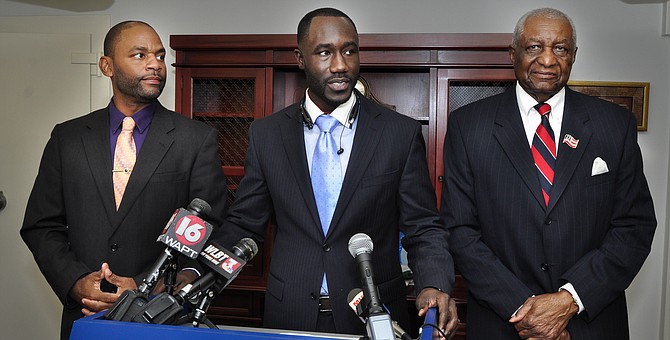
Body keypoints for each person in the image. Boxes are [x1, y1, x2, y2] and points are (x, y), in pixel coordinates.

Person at [212, 7, 458, 338]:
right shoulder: (266, 134)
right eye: (325, 52)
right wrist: (193, 273)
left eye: (349, 51)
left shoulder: (399, 133)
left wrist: (433, 284)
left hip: (377, 314)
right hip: (290, 314)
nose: (340, 65)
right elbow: (244, 223)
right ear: (300, 58)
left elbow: (424, 227)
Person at [440, 7, 656, 340]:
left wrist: (569, 300)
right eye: (534, 47)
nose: (548, 60)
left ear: (573, 56)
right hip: (504, 323)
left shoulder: (613, 125)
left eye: (560, 48)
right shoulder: (469, 126)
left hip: (589, 323)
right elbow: (460, 230)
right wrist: (526, 311)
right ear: (513, 54)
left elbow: (634, 226)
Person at [20, 21, 228, 339]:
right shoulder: (68, 138)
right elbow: (41, 226)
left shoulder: (195, 140)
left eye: (159, 55)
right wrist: (75, 282)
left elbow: (209, 231)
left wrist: (145, 287)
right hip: (87, 316)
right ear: (107, 66)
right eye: (139, 54)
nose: (154, 64)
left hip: (161, 320)